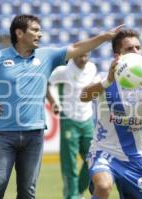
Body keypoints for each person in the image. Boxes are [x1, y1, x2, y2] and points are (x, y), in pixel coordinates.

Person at [0, 14, 123, 199]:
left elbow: (78, 47)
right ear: (19, 33)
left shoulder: (47, 56)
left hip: (34, 135)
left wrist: (104, 37)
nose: (40, 34)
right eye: (35, 30)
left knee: (28, 191)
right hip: (3, 135)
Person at [80, 29, 142, 199]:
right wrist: (107, 82)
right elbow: (83, 96)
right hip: (104, 152)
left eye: (138, 47)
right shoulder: (105, 78)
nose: (135, 51)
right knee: (103, 187)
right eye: (129, 49)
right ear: (118, 55)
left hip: (134, 157)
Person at [47, 53, 97, 199]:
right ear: (74, 55)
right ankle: (72, 196)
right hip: (69, 120)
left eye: (86, 55)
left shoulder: (92, 68)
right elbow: (45, 83)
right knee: (70, 163)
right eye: (80, 55)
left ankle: (79, 191)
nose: (83, 58)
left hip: (87, 120)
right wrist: (53, 101)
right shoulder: (63, 71)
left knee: (93, 159)